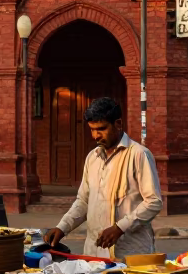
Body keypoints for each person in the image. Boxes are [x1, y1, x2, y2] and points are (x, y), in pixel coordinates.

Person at [45, 97, 162, 260]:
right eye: (92, 129)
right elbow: (83, 201)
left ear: (118, 124)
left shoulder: (139, 155)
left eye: (101, 129)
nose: (95, 135)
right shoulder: (92, 158)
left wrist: (119, 228)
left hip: (130, 253)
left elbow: (154, 201)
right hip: (94, 254)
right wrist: (62, 227)